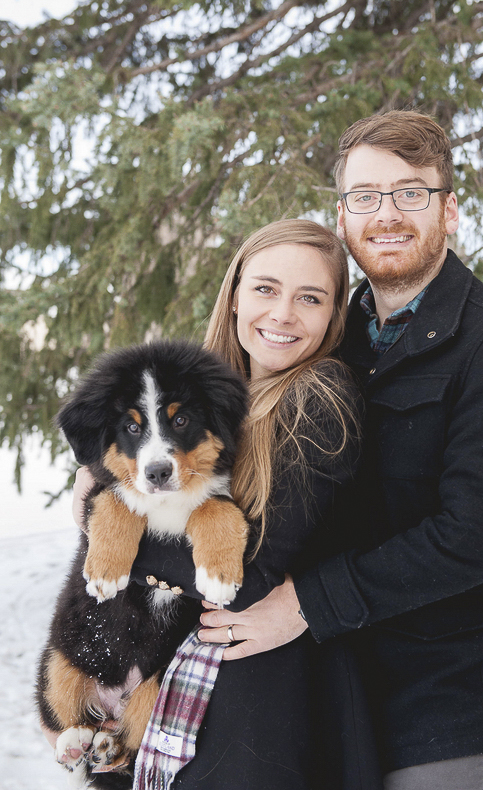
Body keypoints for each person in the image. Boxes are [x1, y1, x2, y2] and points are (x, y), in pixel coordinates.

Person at [199, 111, 483, 790]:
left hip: (443, 717)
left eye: (410, 193)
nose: (386, 213)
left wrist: (303, 603)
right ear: (342, 217)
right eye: (365, 195)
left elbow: (476, 538)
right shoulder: (334, 339)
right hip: (331, 705)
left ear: (448, 211)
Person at [69, 219, 381, 790]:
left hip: (262, 710)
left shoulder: (319, 400)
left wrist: (103, 514)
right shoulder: (208, 389)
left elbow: (254, 573)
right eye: (265, 288)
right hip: (182, 690)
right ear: (234, 295)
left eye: (309, 298)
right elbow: (123, 450)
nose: (282, 313)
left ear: (334, 315)